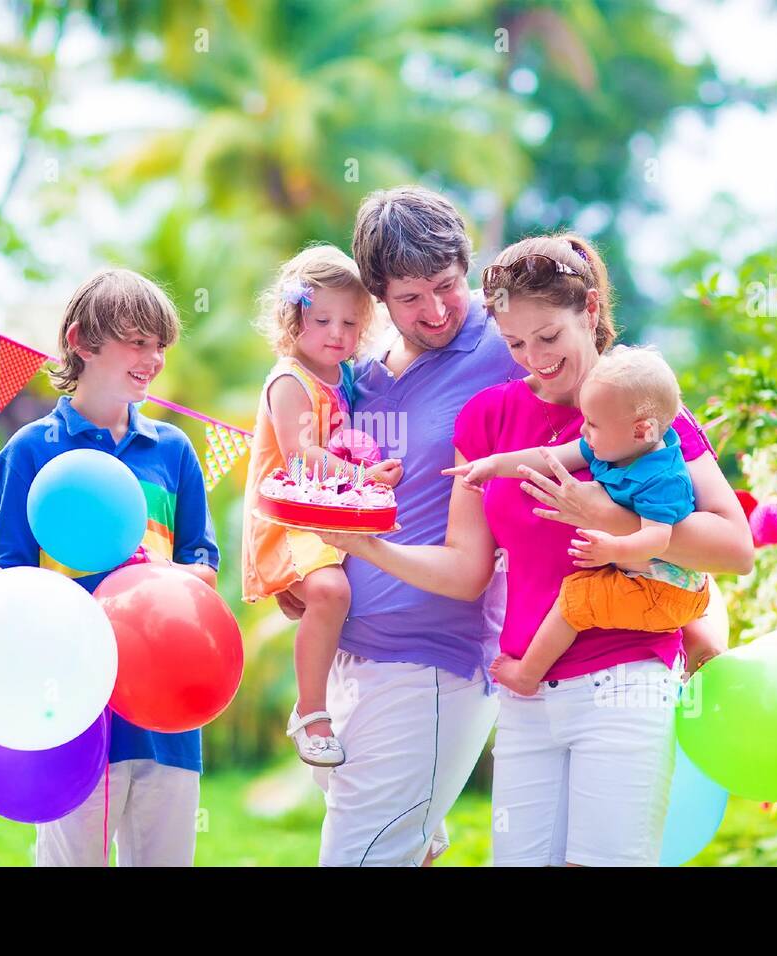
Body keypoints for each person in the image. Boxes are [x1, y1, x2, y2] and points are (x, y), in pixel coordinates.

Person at [318, 232, 752, 866]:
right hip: (524, 685)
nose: (535, 360)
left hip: (625, 677)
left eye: (548, 338)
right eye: (515, 344)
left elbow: (734, 547)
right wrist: (369, 547)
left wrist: (608, 515)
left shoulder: (639, 410)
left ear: (591, 310)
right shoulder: (489, 418)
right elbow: (468, 571)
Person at [277, 185, 525, 866]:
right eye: (410, 297)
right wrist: (298, 571)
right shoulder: (362, 375)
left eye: (447, 285)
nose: (436, 309)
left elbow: (606, 403)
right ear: (378, 296)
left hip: (433, 662)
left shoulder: (506, 347)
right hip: (352, 658)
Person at [0, 268, 219, 866]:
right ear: (82, 342)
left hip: (165, 713)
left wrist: (149, 578)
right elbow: (7, 574)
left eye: (160, 345)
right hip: (70, 709)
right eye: (137, 342)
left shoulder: (173, 450)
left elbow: (205, 571)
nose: (153, 358)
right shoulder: (32, 451)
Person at [445, 343, 710, 696]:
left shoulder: (663, 478)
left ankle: (527, 674)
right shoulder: (611, 443)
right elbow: (550, 456)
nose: (583, 431)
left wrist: (611, 546)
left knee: (576, 598)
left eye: (593, 424)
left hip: (665, 591)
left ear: (641, 430)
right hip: (644, 576)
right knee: (581, 592)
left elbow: (658, 538)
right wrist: (494, 465)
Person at [240, 245, 402, 768]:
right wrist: (363, 478)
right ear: (294, 319)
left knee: (359, 595)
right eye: (324, 319)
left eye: (351, 322)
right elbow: (300, 456)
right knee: (331, 592)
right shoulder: (291, 380)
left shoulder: (345, 376)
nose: (338, 333)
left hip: (325, 515)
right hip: (287, 517)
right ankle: (311, 711)